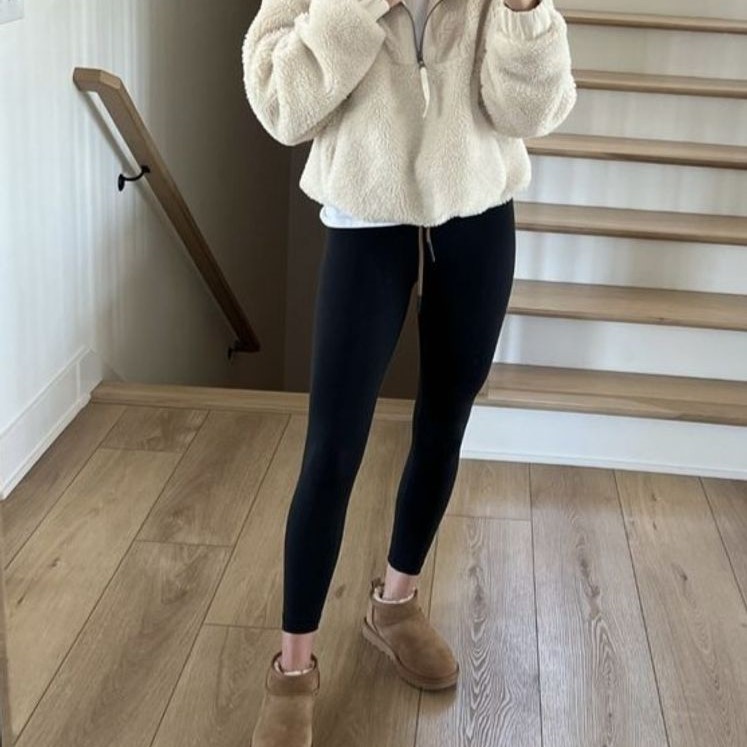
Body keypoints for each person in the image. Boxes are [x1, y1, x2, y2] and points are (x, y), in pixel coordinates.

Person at [241, 0, 576, 742]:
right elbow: (280, 106)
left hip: (477, 210)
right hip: (365, 215)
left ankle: (395, 603)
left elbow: (531, 113)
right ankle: (292, 666)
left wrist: (522, 10)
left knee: (444, 420)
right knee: (332, 448)